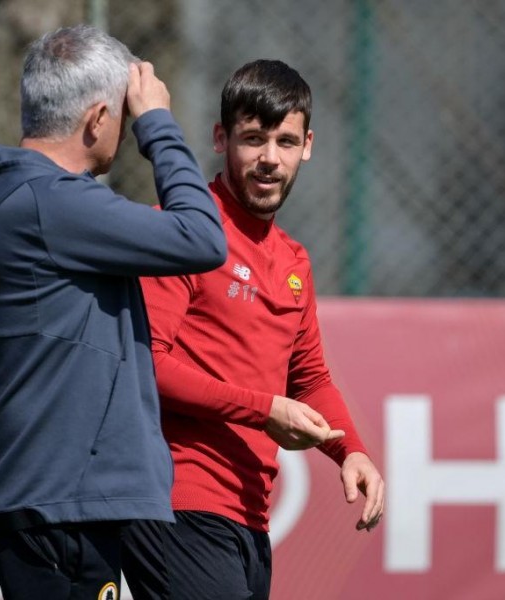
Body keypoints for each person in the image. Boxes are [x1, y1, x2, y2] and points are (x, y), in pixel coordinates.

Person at [0, 24, 227, 600]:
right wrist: (159, 125)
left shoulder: (4, 197)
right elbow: (202, 238)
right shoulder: (53, 205)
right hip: (61, 501)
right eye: (123, 113)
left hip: (34, 494)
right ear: (97, 120)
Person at [121, 59, 385, 600]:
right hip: (176, 503)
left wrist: (351, 451)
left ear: (307, 146)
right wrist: (264, 410)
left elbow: (309, 379)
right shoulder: (184, 231)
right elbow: (145, 365)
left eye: (285, 142)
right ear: (222, 138)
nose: (270, 159)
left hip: (249, 518)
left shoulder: (293, 260)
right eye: (253, 139)